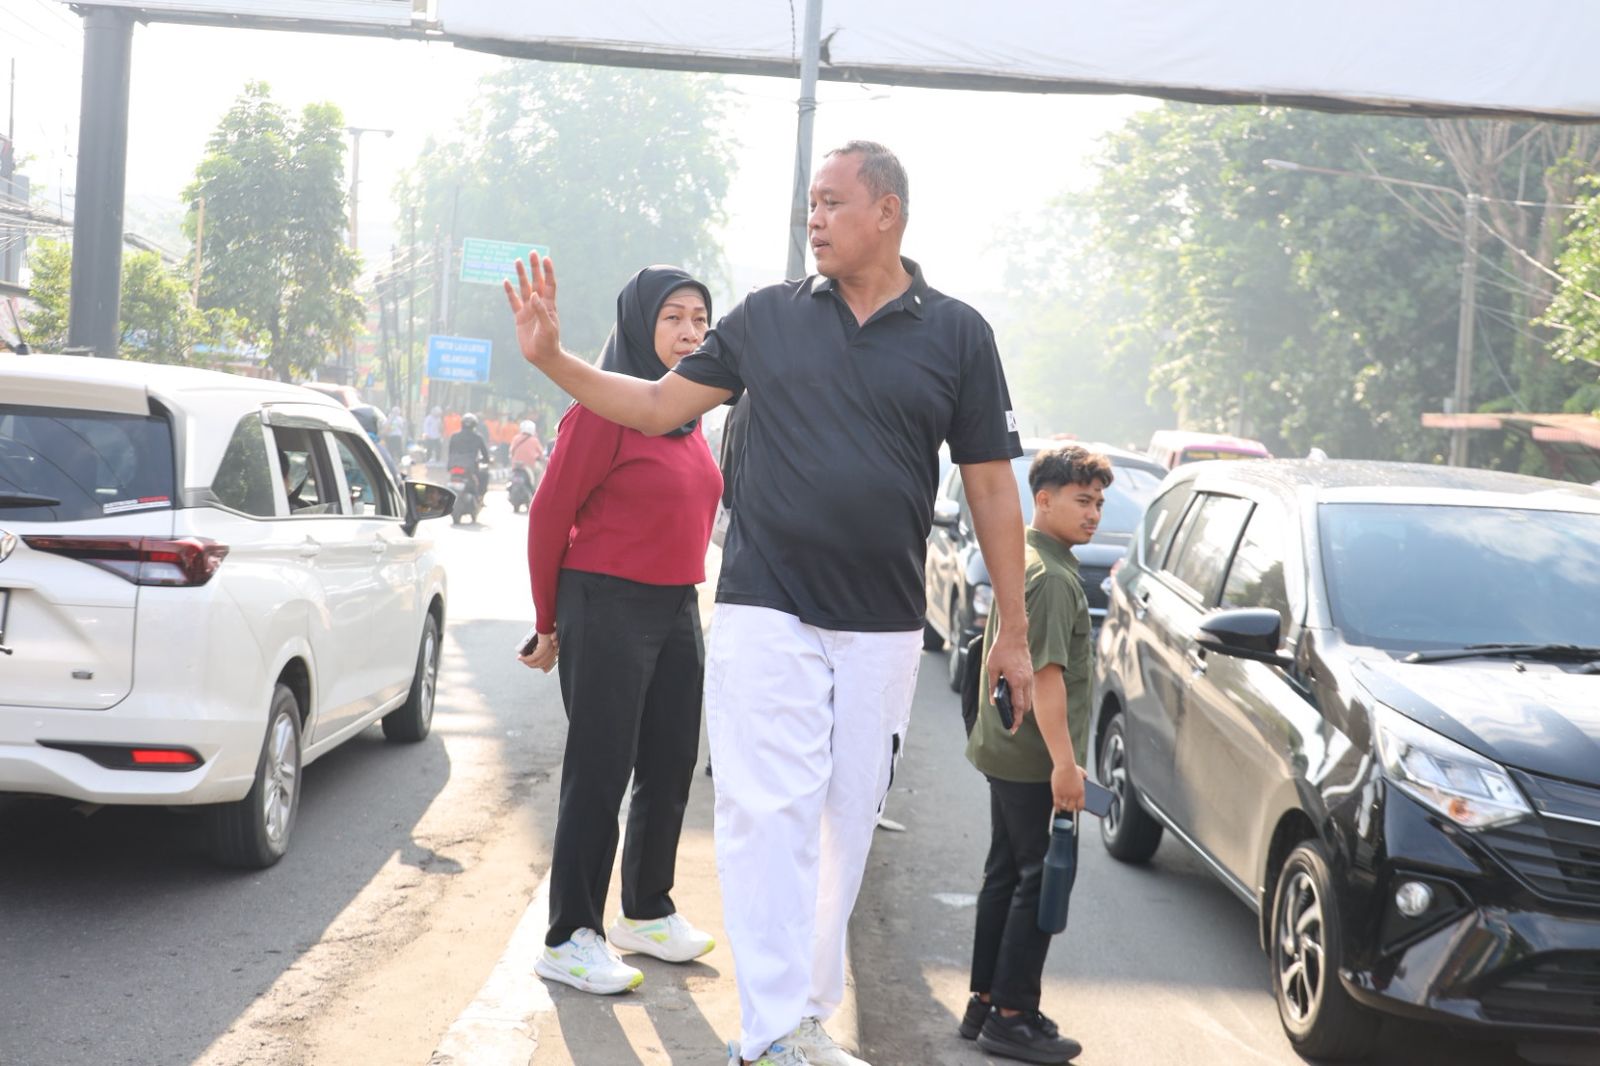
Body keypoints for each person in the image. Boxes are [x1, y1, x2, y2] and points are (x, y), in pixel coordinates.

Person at [505, 141, 1034, 1066]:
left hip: (883, 623)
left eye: (832, 203)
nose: (814, 220)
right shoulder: (765, 320)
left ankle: (804, 1012)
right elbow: (658, 406)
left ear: (889, 213)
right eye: (809, 206)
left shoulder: (957, 335)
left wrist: (1012, 633)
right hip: (765, 607)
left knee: (845, 814)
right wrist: (554, 362)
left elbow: (991, 485)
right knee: (765, 811)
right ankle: (776, 1028)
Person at [519, 266, 723, 996]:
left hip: (675, 604)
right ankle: (572, 934)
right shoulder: (603, 408)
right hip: (604, 601)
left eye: (701, 319)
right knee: (600, 769)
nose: (692, 333)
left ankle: (645, 908)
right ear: (641, 325)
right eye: (674, 318)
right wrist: (546, 623)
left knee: (669, 763)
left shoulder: (689, 417)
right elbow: (549, 517)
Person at [961, 444, 1107, 1065]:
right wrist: (1065, 766)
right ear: (1042, 499)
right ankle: (1013, 1017)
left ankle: (985, 1003)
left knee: (1006, 872)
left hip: (1008, 747)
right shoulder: (1048, 577)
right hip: (1032, 756)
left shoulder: (1034, 557)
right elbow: (1045, 678)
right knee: (1038, 880)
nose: (1094, 513)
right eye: (1082, 500)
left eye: (1099, 501)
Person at [447, 412, 492, 500]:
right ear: (475, 425)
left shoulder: (454, 436)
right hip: (470, 467)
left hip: (453, 465)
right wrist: (486, 460)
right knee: (484, 475)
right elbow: (485, 453)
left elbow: (450, 451)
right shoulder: (478, 437)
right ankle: (480, 497)